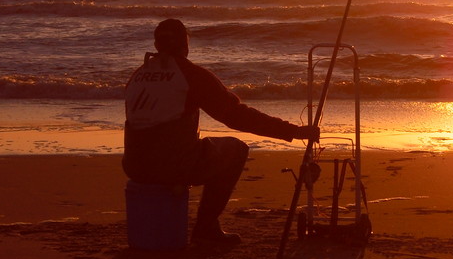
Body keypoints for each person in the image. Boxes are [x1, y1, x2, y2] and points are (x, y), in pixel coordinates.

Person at [123, 18, 318, 246]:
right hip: (172, 165)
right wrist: (292, 131)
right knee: (235, 150)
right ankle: (206, 228)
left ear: (157, 45)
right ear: (185, 44)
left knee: (195, 149)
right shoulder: (190, 74)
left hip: (134, 166)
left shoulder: (138, 75)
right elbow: (235, 115)